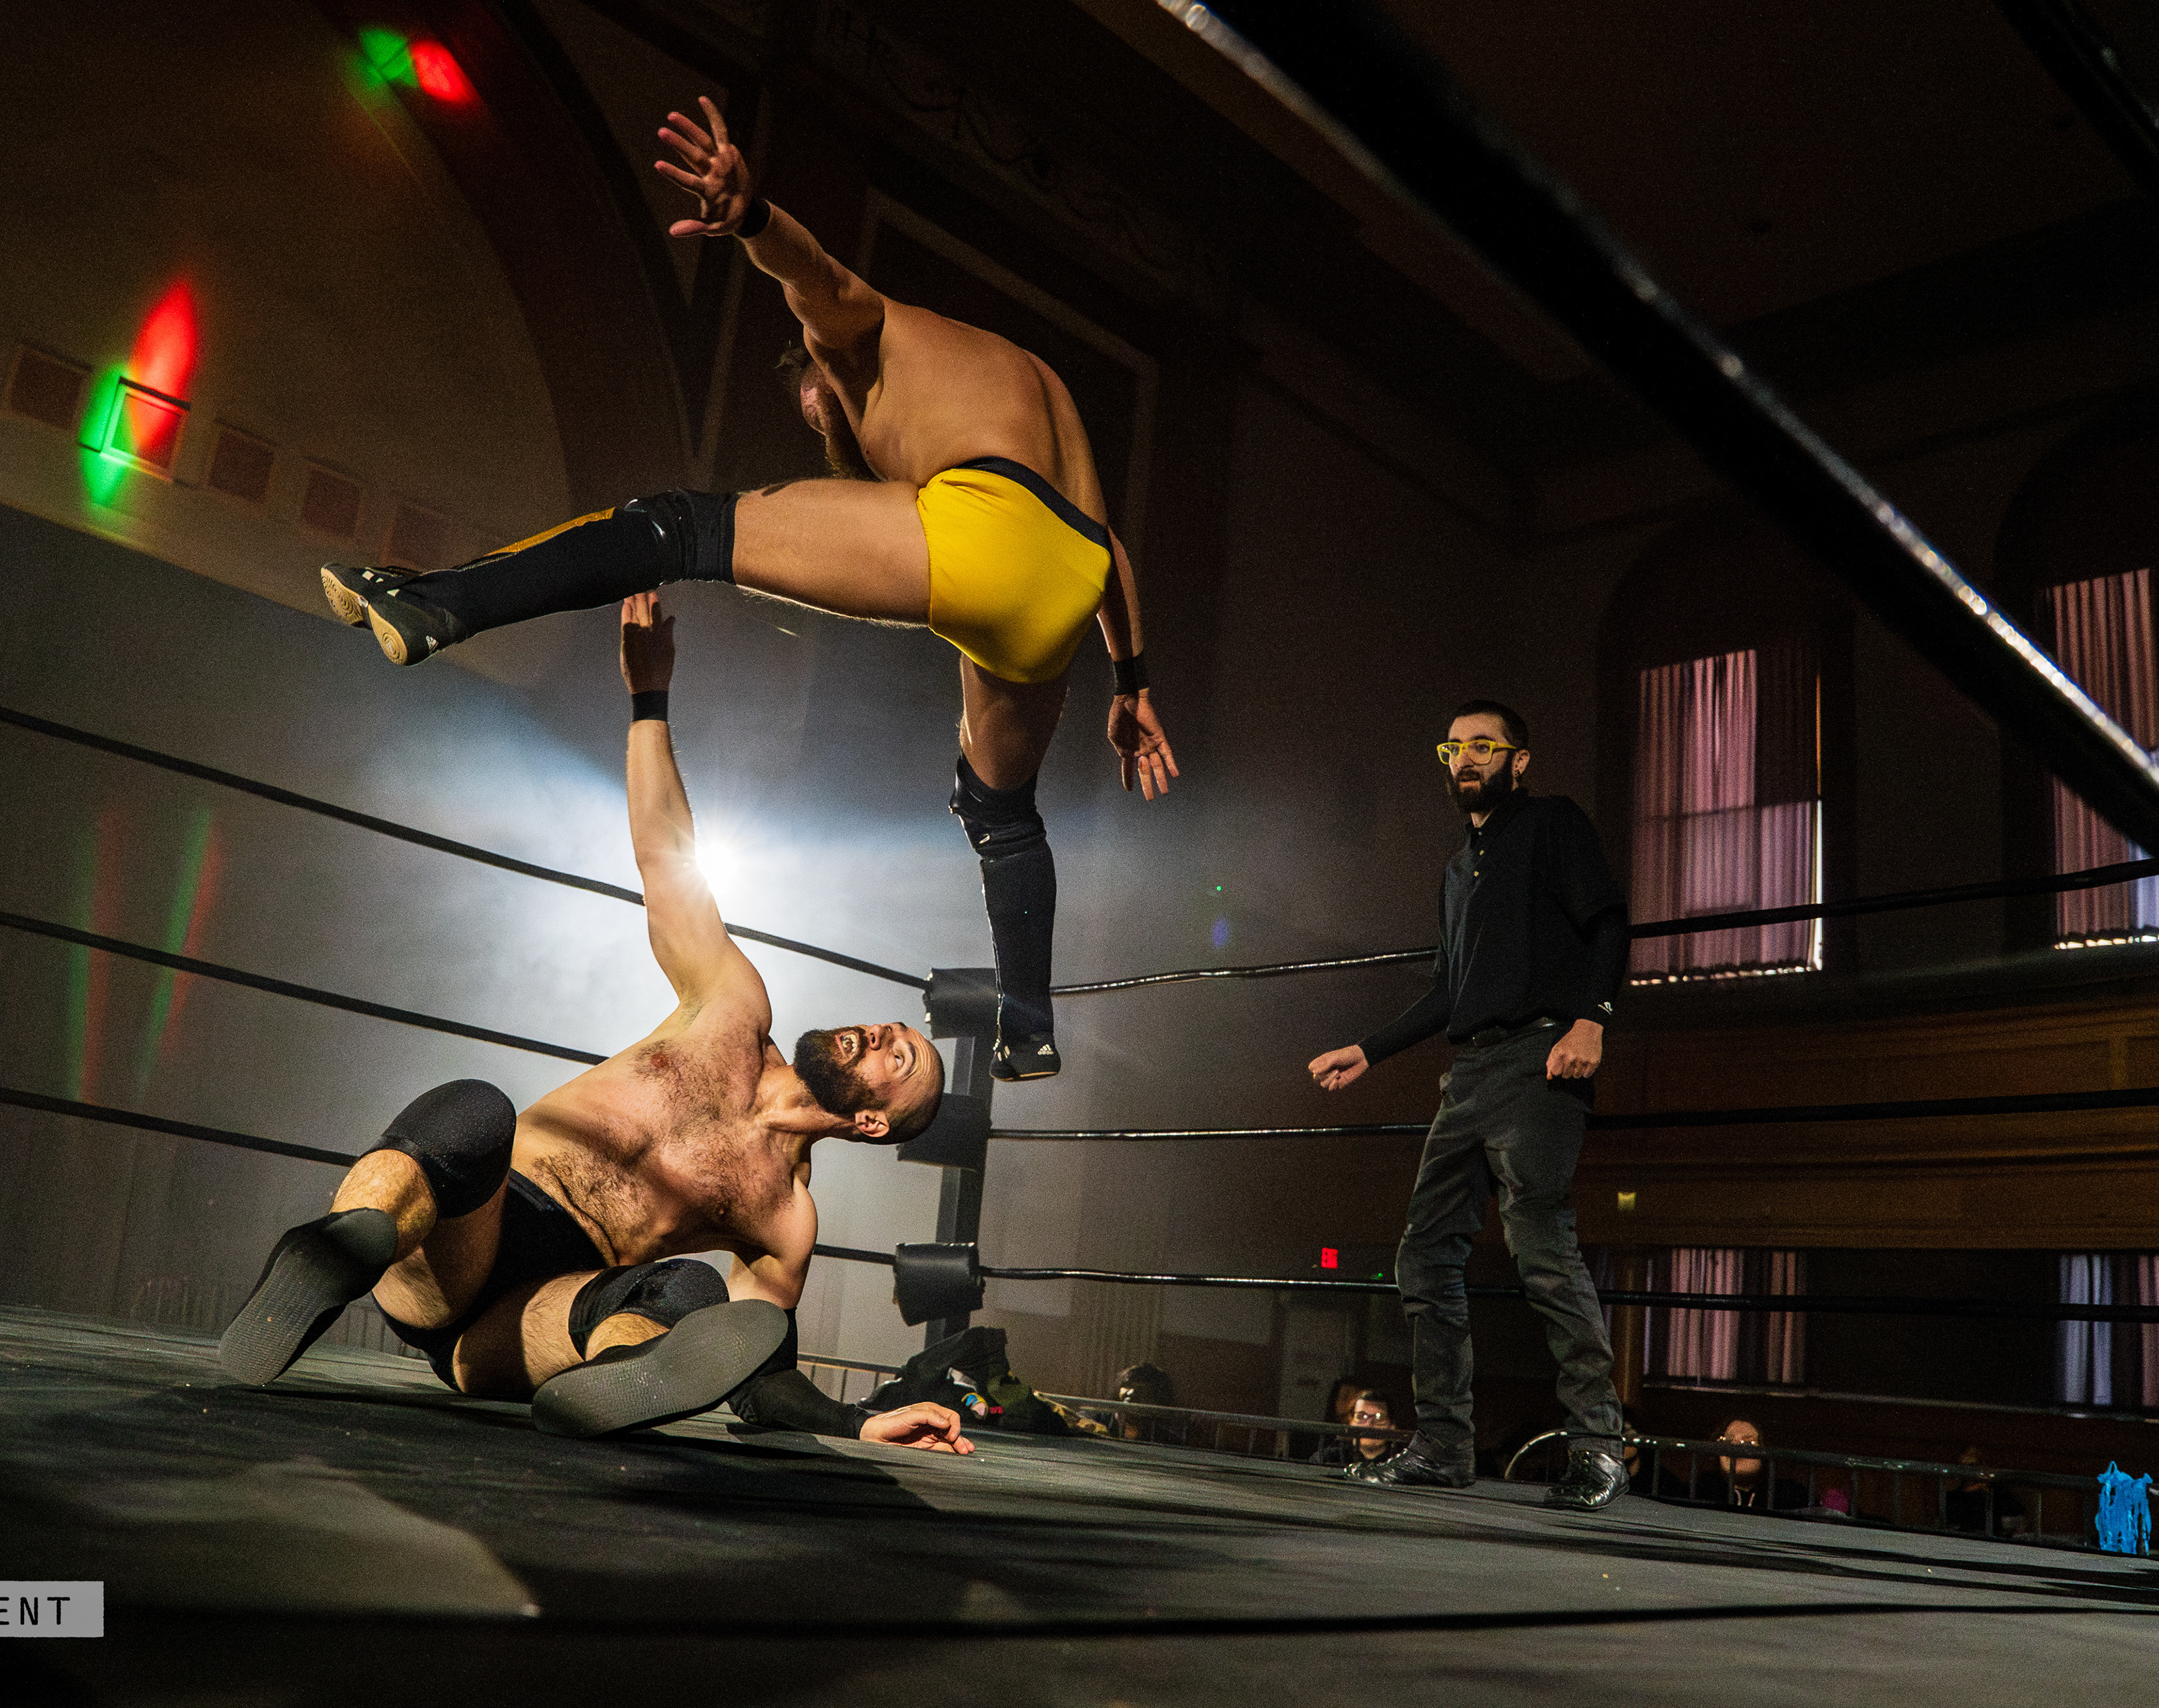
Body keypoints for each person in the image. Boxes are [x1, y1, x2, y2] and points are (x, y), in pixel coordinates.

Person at [318, 96, 1177, 1083]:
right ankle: (1029, 1027)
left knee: (680, 526)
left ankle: (435, 602)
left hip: (987, 528)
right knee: (999, 810)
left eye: (816, 413)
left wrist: (753, 217)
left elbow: (823, 280)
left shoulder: (861, 341)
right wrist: (1132, 681)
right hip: (1075, 578)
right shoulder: (1030, 379)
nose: (826, 428)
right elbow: (1108, 549)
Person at [220, 595, 967, 1454]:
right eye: (892, 1027)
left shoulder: (785, 1217)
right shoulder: (733, 1004)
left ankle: (609, 1383)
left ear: (870, 1121)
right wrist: (649, 701)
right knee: (475, 1112)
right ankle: (338, 1251)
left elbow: (755, 1362)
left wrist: (859, 1421)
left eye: (900, 1058)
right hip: (456, 1231)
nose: (883, 1033)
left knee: (691, 1298)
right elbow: (666, 855)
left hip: (520, 1324)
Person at [1305, 701, 1631, 1511]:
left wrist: (1593, 1019)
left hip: (1543, 1056)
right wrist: (1370, 1049)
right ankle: (1443, 1445)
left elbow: (1609, 921)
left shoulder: (1552, 823)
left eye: (1485, 745)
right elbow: (1448, 991)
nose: (1467, 758)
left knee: (1541, 1247)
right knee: (1424, 1253)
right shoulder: (1457, 871)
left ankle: (1599, 1447)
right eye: (1454, 747)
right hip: (1473, 1071)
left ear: (1519, 760)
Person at [1690, 1418, 1809, 1512]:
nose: (1736, 1447)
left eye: (1747, 1442)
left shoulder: (1789, 1495)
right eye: (1728, 1441)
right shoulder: (1701, 1490)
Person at [1310, 1388, 1400, 1467]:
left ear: (1392, 1426)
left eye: (1378, 1418)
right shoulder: (1327, 1459)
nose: (1369, 1425)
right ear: (1351, 1422)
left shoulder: (1401, 1464)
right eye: (1361, 1416)